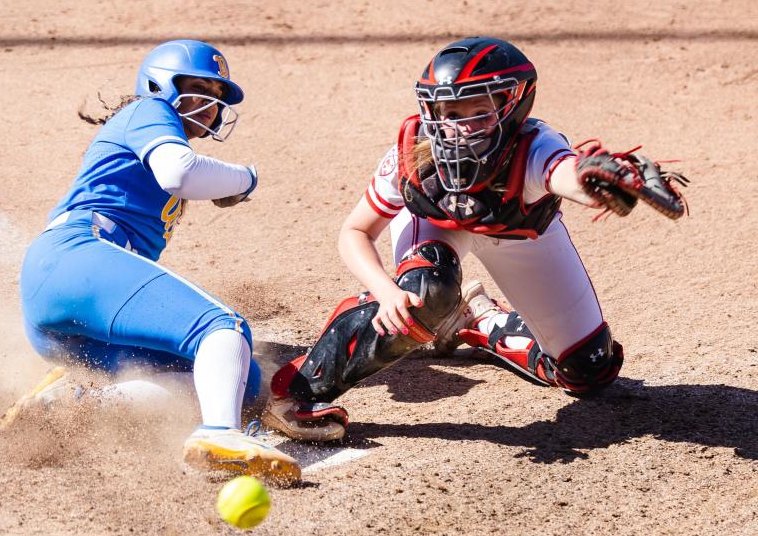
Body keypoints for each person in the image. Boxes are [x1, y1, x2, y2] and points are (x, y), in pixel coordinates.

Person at [261, 36, 687, 442]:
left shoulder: (535, 146)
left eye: (473, 111)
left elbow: (566, 174)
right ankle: (299, 391)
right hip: (439, 228)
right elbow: (354, 232)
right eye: (444, 112)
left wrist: (593, 182)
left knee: (588, 371)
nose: (455, 128)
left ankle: (478, 321)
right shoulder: (413, 153)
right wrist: (384, 290)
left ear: (513, 103)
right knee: (423, 294)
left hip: (518, 235)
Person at [2, 39, 300, 483]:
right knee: (223, 329)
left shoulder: (155, 136)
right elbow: (179, 173)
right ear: (160, 83)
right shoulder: (149, 112)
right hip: (77, 256)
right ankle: (220, 435)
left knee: (244, 383)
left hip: (73, 317)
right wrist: (246, 177)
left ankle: (71, 402)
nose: (209, 105)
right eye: (197, 89)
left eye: (216, 98)